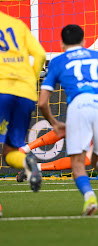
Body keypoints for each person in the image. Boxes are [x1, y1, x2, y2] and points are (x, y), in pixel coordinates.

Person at [38, 24, 98, 215]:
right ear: (84, 41)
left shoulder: (57, 61)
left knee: (78, 164)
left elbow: (42, 103)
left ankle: (90, 198)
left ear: (62, 44)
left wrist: (54, 123)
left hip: (80, 105)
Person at [0, 11, 46, 192]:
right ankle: (27, 160)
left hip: (2, 90)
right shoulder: (17, 24)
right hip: (25, 93)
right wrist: (30, 82)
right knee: (10, 152)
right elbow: (40, 54)